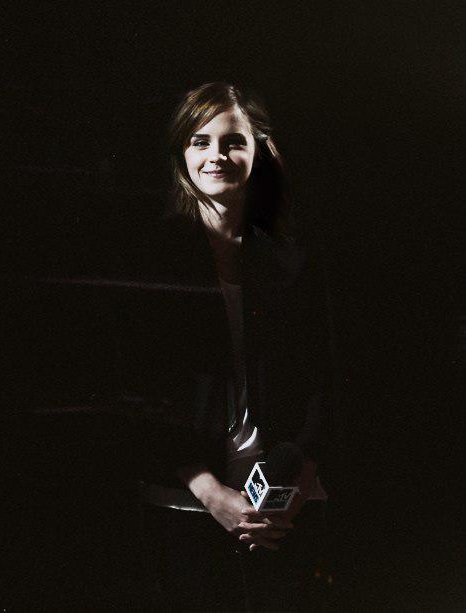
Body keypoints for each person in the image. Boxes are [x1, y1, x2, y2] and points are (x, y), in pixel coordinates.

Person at [137, 82, 331, 612]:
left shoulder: (292, 263)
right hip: (186, 499)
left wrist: (296, 488)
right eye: (200, 142)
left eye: (232, 142)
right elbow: (143, 388)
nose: (216, 156)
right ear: (182, 153)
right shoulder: (154, 258)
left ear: (258, 150)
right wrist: (209, 492)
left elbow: (320, 385)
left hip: (281, 503)